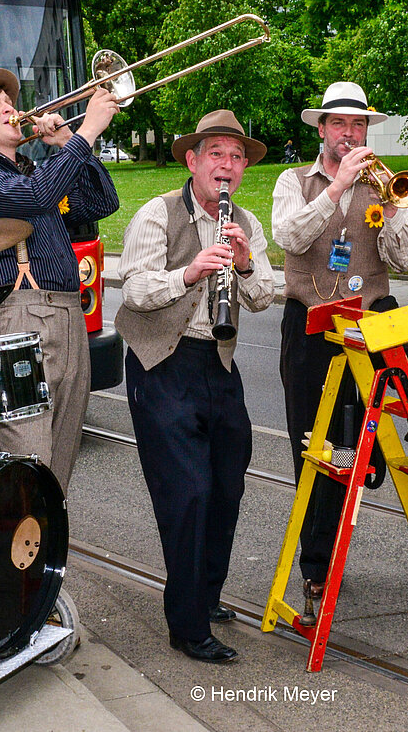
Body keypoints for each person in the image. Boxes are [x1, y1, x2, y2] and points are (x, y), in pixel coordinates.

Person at [272, 81, 408, 622]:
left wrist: (395, 209)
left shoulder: (384, 184)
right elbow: (289, 238)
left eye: (358, 126)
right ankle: (317, 565)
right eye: (340, 125)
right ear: (323, 130)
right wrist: (336, 190)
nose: (350, 133)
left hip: (374, 308)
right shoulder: (294, 180)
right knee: (321, 445)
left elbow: (405, 260)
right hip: (311, 317)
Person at [116, 110, 275, 664]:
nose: (227, 166)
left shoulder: (245, 221)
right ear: (193, 161)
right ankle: (186, 626)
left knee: (227, 482)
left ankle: (205, 597)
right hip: (162, 361)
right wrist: (189, 272)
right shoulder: (158, 214)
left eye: (236, 158)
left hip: (218, 363)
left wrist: (247, 261)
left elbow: (264, 297)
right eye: (216, 155)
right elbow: (134, 289)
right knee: (187, 494)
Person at [0, 68, 119, 489]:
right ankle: (14, 546)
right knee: (28, 456)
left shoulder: (32, 170)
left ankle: (44, 549)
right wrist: (86, 133)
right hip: (17, 317)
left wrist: (65, 144)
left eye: (9, 101)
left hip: (66, 315)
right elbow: (36, 198)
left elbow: (101, 201)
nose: (9, 108)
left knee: (60, 457)